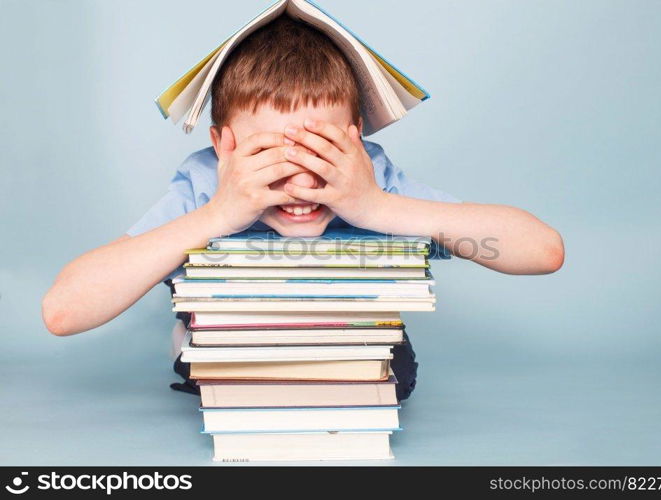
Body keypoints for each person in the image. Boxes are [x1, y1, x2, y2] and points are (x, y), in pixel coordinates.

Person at [42, 15, 564, 400]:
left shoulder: (373, 182)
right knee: (222, 379)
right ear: (223, 147)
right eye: (267, 156)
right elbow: (63, 312)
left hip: (358, 351)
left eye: (320, 153)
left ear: (355, 144)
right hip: (231, 349)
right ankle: (196, 335)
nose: (298, 182)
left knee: (387, 380)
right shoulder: (205, 187)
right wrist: (217, 216)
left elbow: (542, 251)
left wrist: (376, 207)